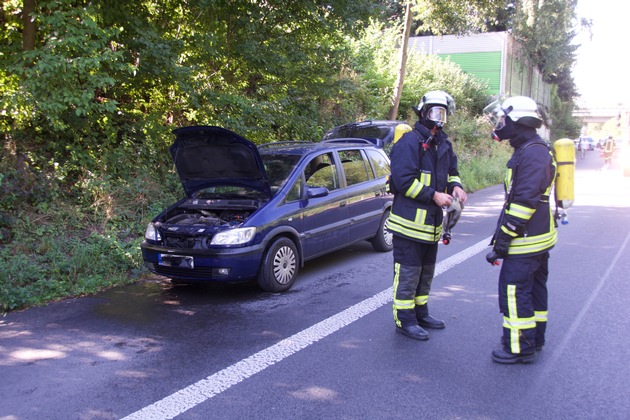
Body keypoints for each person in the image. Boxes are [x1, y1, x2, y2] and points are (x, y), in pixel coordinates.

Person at [386, 90, 468, 341]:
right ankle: (405, 319)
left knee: (425, 273)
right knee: (408, 274)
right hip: (408, 226)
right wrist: (434, 195)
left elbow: (452, 171)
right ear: (423, 112)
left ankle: (421, 312)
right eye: (434, 112)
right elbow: (403, 182)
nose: (438, 118)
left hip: (431, 227)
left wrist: (456, 187)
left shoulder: (443, 144)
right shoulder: (408, 143)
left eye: (442, 113)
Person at [483, 96, 557, 364]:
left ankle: (518, 347)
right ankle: (534, 339)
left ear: (519, 121)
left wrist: (501, 243)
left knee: (514, 292)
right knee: (533, 290)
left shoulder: (533, 153)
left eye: (503, 119)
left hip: (525, 241)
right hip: (536, 239)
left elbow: (523, 203)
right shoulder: (531, 149)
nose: (499, 124)